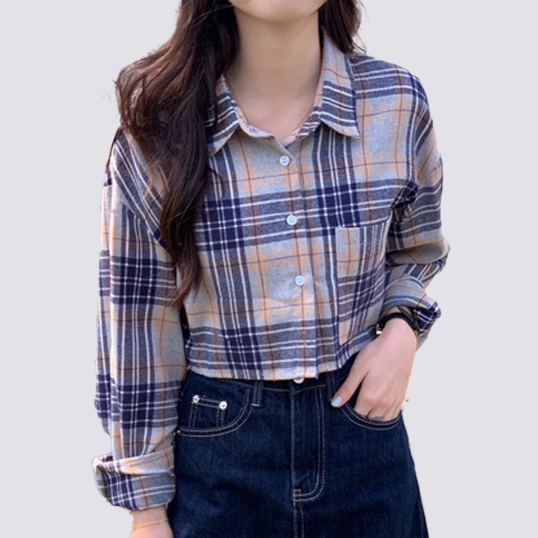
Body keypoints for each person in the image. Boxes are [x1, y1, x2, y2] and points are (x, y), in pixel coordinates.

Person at [93, 1, 449, 537]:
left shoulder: (395, 103)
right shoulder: (158, 127)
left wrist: (402, 329)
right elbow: (138, 325)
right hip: (220, 453)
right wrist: (146, 512)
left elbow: (417, 250)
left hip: (363, 437)